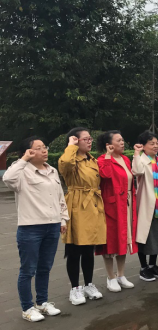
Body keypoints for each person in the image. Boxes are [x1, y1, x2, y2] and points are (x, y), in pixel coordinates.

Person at [3, 137, 67, 322]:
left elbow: (60, 197)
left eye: (44, 147)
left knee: (45, 267)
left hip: (52, 225)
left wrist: (63, 219)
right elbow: (7, 178)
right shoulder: (21, 172)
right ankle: (27, 308)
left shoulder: (52, 170)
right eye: (38, 148)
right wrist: (23, 159)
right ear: (28, 152)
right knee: (28, 270)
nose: (44, 150)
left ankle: (42, 302)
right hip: (31, 228)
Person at [58, 128, 107, 305]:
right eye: (85, 139)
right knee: (74, 249)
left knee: (88, 248)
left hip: (92, 205)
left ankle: (88, 284)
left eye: (90, 138)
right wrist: (71, 146)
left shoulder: (91, 159)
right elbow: (65, 164)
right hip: (77, 205)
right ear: (75, 141)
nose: (89, 141)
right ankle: (74, 288)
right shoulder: (70, 159)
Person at [96, 131, 137, 293]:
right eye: (118, 140)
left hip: (126, 203)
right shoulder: (102, 160)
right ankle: (110, 277)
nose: (122, 142)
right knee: (111, 241)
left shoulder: (125, 159)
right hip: (112, 206)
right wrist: (108, 155)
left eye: (122, 139)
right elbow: (105, 175)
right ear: (109, 144)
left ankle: (121, 275)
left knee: (124, 239)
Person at [132, 131, 158, 282]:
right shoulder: (141, 160)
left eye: (156, 143)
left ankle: (152, 265)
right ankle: (143, 267)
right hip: (146, 205)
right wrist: (136, 154)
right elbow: (137, 171)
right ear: (143, 146)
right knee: (144, 236)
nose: (156, 146)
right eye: (152, 144)